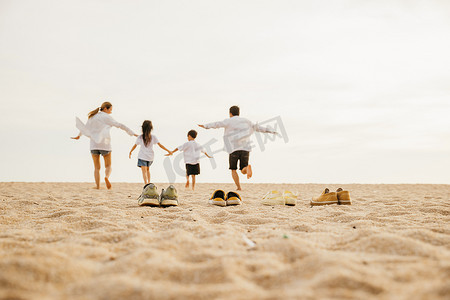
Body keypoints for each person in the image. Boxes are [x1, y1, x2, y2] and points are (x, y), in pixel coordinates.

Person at [198, 106, 277, 191]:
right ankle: (247, 168)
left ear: (230, 113)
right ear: (238, 112)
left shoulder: (228, 121)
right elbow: (258, 128)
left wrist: (205, 126)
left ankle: (239, 187)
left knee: (233, 169)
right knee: (243, 169)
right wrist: (271, 131)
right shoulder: (247, 121)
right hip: (245, 148)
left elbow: (217, 124)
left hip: (233, 149)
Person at [72, 101, 137, 189]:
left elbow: (85, 128)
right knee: (108, 166)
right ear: (105, 108)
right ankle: (106, 177)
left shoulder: (92, 117)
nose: (111, 112)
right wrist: (132, 133)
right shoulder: (107, 117)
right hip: (105, 144)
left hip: (93, 145)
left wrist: (78, 136)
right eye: (110, 110)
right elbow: (120, 125)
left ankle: (98, 186)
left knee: (96, 168)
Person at [129, 120, 172, 185]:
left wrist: (131, 151)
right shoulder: (153, 137)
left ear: (142, 128)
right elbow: (160, 145)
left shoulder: (140, 137)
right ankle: (148, 182)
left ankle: (146, 184)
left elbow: (135, 145)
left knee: (144, 171)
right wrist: (168, 150)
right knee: (148, 170)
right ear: (151, 128)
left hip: (142, 156)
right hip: (150, 157)